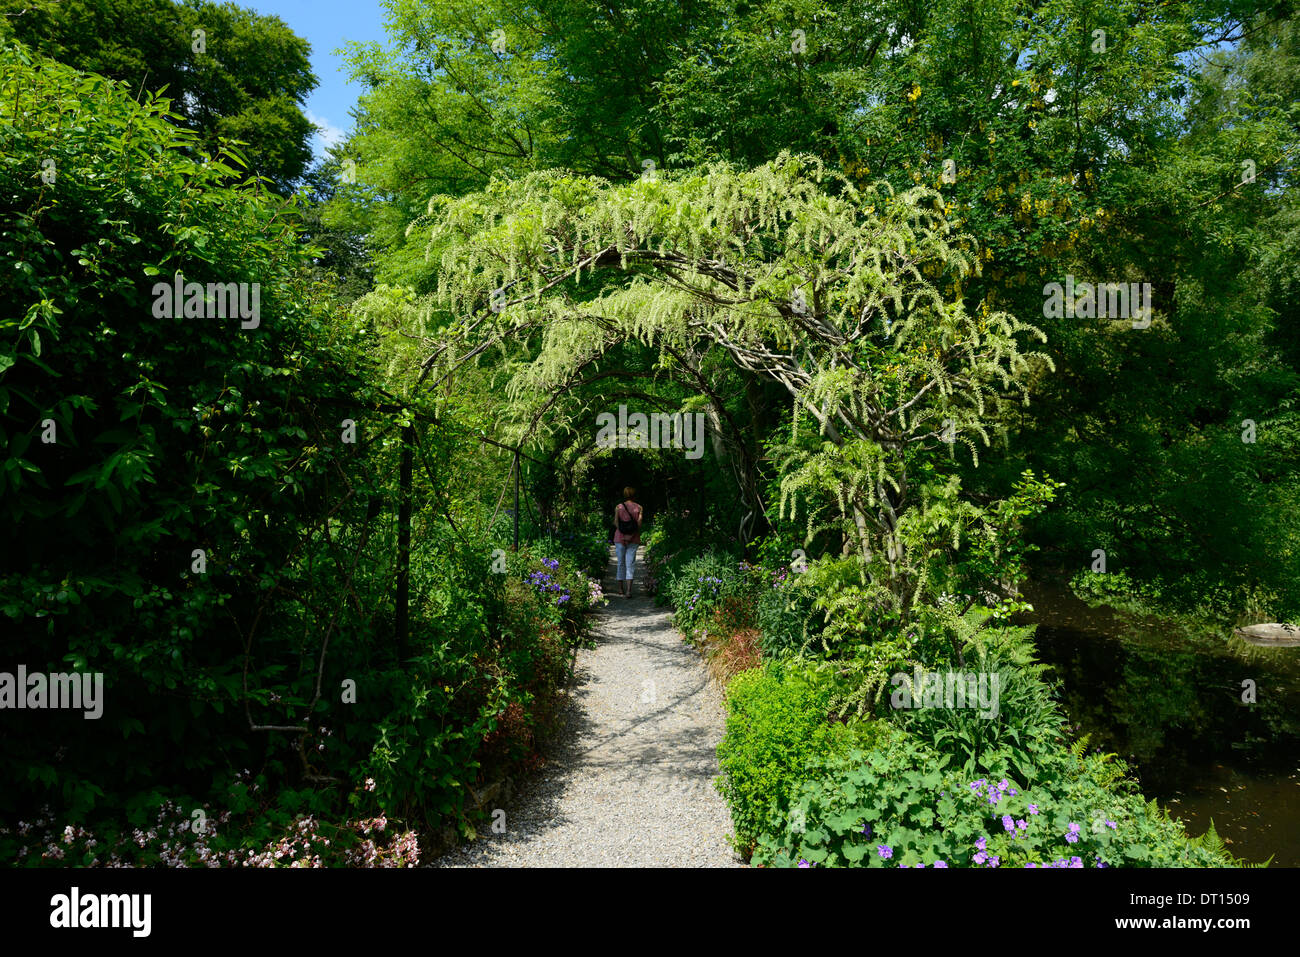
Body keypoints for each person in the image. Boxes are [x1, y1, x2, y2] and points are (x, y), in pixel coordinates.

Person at [613, 486, 643, 597]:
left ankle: (620, 589)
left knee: (620, 563)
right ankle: (629, 591)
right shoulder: (639, 507)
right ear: (634, 494)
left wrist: (623, 535)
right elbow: (638, 525)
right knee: (630, 564)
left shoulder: (619, 507)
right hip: (634, 538)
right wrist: (630, 536)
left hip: (619, 538)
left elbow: (616, 522)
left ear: (624, 494)